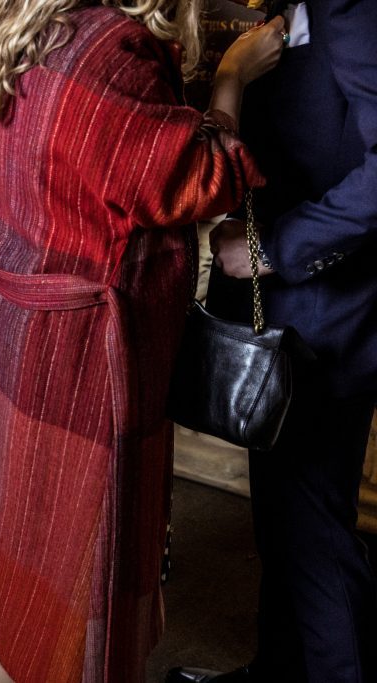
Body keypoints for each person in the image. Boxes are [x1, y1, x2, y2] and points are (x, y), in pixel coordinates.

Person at [0, 0, 285, 679]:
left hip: (25, 337)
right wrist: (231, 77)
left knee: (20, 584)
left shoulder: (22, 21)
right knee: (75, 595)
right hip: (79, 366)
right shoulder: (107, 46)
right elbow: (197, 177)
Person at [169, 0, 377, 680]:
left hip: (329, 310)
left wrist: (275, 246)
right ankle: (279, 667)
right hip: (293, 310)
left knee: (313, 531)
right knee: (283, 519)